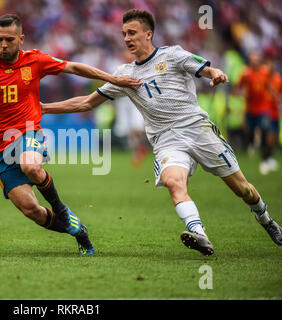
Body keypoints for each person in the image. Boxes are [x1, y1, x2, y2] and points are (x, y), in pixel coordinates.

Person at [42, 9, 282, 255]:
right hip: (166, 140)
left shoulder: (173, 55)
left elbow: (204, 68)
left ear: (148, 34)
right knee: (172, 181)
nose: (126, 38)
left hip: (198, 130)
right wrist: (43, 108)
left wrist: (216, 73)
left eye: (132, 33)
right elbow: (86, 102)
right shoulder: (125, 74)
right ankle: (199, 234)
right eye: (124, 33)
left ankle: (265, 218)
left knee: (244, 190)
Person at [0, 14, 139, 255]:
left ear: (21, 39)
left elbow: (73, 67)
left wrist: (112, 79)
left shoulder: (34, 60)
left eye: (9, 39)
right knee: (31, 210)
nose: (3, 45)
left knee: (31, 166)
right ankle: (79, 232)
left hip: (27, 131)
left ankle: (61, 209)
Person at [237, 51, 272, 174]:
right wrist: (242, 93)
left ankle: (265, 159)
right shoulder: (246, 73)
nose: (255, 61)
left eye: (256, 58)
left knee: (265, 130)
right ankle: (252, 144)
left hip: (263, 108)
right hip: (250, 108)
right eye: (252, 58)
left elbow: (269, 85)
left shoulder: (265, 71)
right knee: (250, 132)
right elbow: (239, 87)